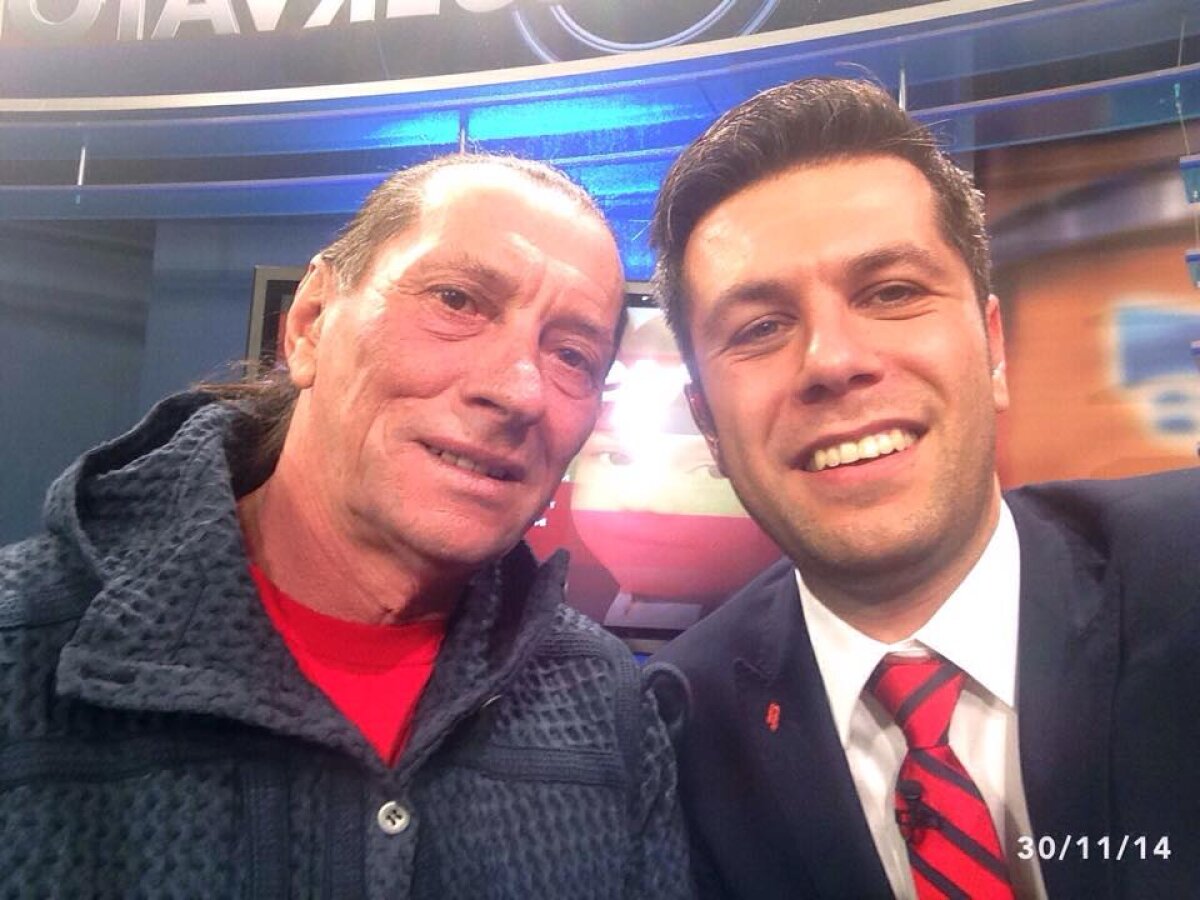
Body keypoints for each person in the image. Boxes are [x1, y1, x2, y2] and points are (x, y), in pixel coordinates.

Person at [0, 153, 691, 898]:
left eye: (573, 356)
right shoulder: (20, 647)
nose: (519, 390)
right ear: (309, 324)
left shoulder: (610, 708)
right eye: (456, 300)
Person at [646, 76, 1199, 900]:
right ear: (707, 425)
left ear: (993, 347)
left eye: (892, 292)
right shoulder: (670, 736)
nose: (834, 361)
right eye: (760, 327)